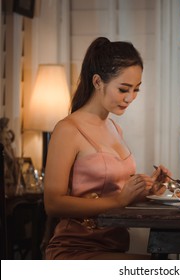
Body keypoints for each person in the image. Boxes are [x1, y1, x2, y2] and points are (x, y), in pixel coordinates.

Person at [44, 37, 170, 260]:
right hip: (77, 250)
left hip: (113, 246)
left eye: (136, 90)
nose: (130, 98)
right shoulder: (68, 129)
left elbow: (115, 194)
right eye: (123, 89)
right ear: (97, 82)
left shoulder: (114, 128)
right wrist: (119, 201)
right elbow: (53, 203)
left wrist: (147, 192)